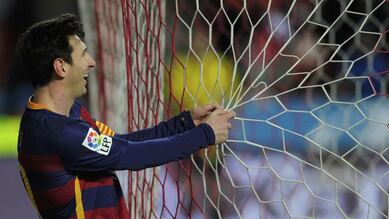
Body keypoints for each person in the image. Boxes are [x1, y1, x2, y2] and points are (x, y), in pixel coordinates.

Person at [16, 13, 235, 219]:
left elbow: (121, 144)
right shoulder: (59, 134)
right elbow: (131, 154)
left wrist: (185, 123)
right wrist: (205, 135)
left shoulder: (59, 116)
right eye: (83, 54)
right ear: (61, 67)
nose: (91, 62)